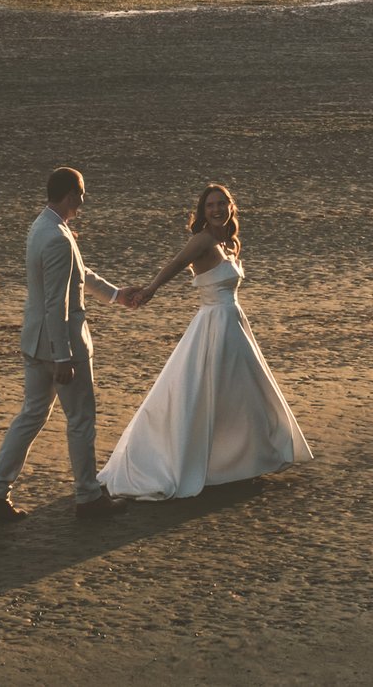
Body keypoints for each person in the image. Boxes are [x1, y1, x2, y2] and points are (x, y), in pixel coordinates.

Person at [97, 182, 312, 501]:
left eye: (221, 203)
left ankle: (243, 461)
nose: (216, 209)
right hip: (213, 325)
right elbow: (175, 264)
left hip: (234, 324)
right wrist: (151, 290)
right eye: (210, 205)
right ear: (202, 211)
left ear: (231, 207)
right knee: (205, 394)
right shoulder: (203, 240)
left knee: (242, 394)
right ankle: (202, 464)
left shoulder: (231, 243)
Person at [0, 166, 140, 520]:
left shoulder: (43, 227)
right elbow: (57, 302)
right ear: (70, 195)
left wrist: (115, 295)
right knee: (81, 419)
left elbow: (77, 277)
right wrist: (64, 356)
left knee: (32, 414)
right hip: (59, 346)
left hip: (35, 343)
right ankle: (88, 496)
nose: (82, 201)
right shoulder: (57, 237)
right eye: (80, 194)